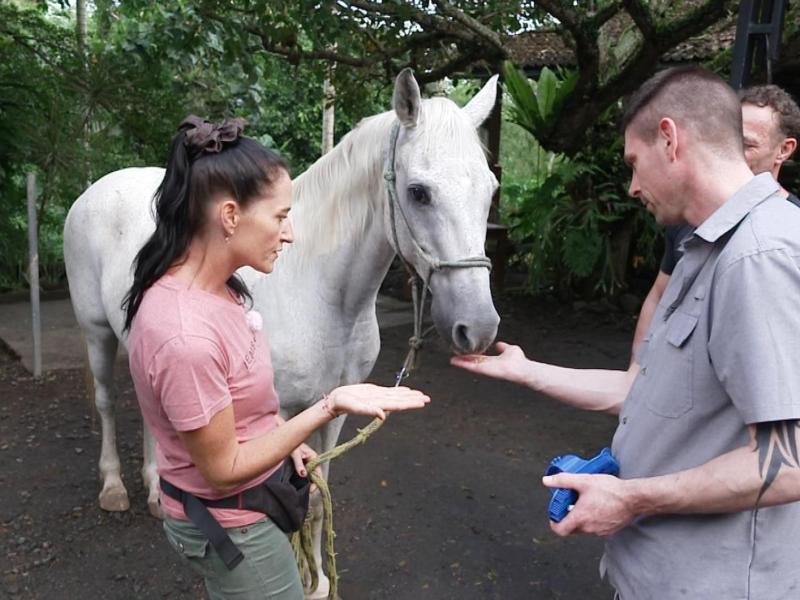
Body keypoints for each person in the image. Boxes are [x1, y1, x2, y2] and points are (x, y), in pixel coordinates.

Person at [452, 66, 800, 599]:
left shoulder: (760, 256)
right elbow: (651, 395)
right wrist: (525, 370)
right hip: (657, 576)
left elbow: (786, 465)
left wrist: (632, 497)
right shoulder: (704, 248)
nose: (633, 186)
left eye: (634, 164)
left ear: (669, 138)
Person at [123, 115, 430, 599]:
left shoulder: (219, 290)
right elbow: (222, 468)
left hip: (239, 514)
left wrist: (279, 438)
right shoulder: (184, 336)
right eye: (281, 217)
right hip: (232, 525)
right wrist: (327, 408)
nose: (289, 234)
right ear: (229, 216)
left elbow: (236, 407)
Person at [630, 83, 800, 359]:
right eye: (728, 141)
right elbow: (660, 294)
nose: (731, 154)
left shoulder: (788, 231)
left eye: (746, 145)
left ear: (784, 149)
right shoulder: (689, 216)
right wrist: (639, 367)